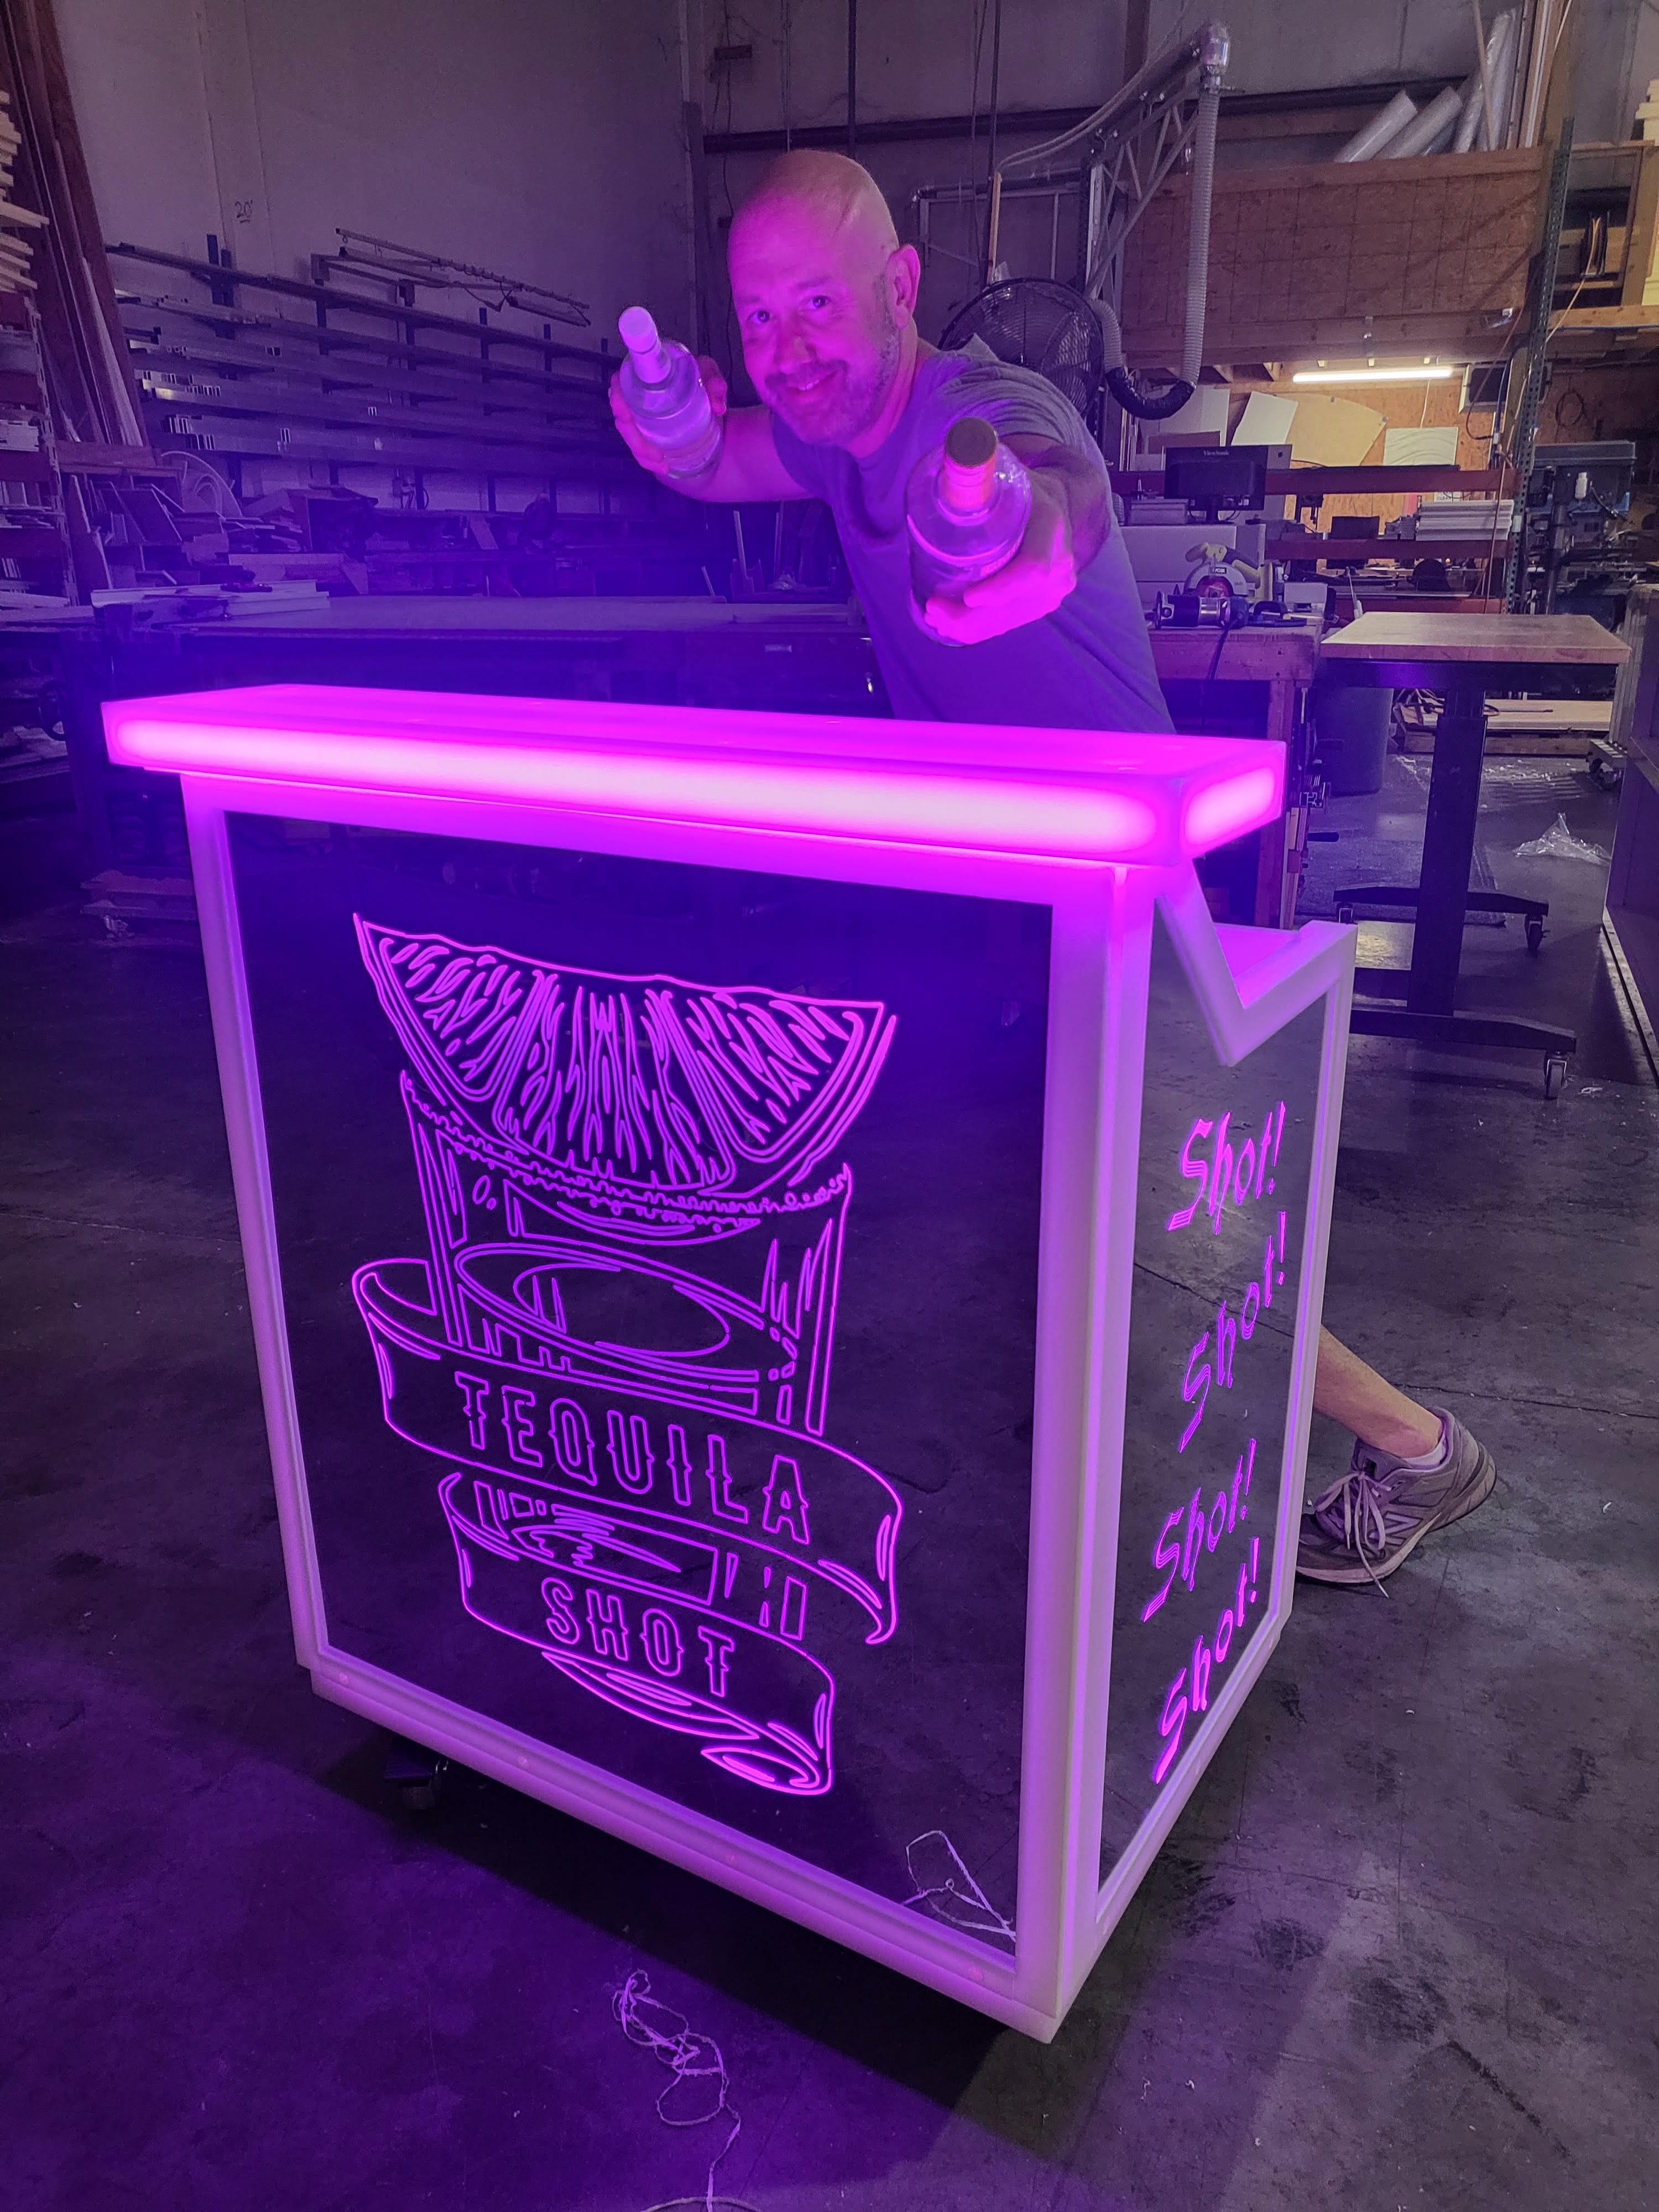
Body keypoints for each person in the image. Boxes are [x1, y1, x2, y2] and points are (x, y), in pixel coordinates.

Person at [609, 149, 1495, 1588]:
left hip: (1111, 887)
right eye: (758, 321)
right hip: (1007, 889)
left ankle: (1415, 1449)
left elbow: (1048, 472)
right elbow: (722, 459)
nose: (789, 351)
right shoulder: (838, 432)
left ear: (901, 286)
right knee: (1056, 1186)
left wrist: (1012, 520)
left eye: (818, 305)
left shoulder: (971, 409)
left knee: (1181, 1233)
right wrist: (669, 427)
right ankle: (1078, 1437)